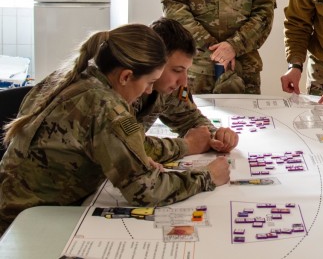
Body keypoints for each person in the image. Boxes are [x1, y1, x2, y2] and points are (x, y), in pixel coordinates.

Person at [0, 24, 230, 236]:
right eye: (149, 82)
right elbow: (147, 192)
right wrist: (207, 177)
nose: (150, 91)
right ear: (126, 76)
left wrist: (135, 157)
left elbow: (186, 118)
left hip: (21, 207)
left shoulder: (83, 77)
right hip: (27, 224)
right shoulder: (106, 108)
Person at [139, 18, 239, 161]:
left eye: (186, 70)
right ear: (152, 62)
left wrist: (216, 136)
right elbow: (128, 148)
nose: (183, 81)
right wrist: (187, 145)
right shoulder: (124, 88)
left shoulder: (170, 86)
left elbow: (189, 119)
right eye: (177, 70)